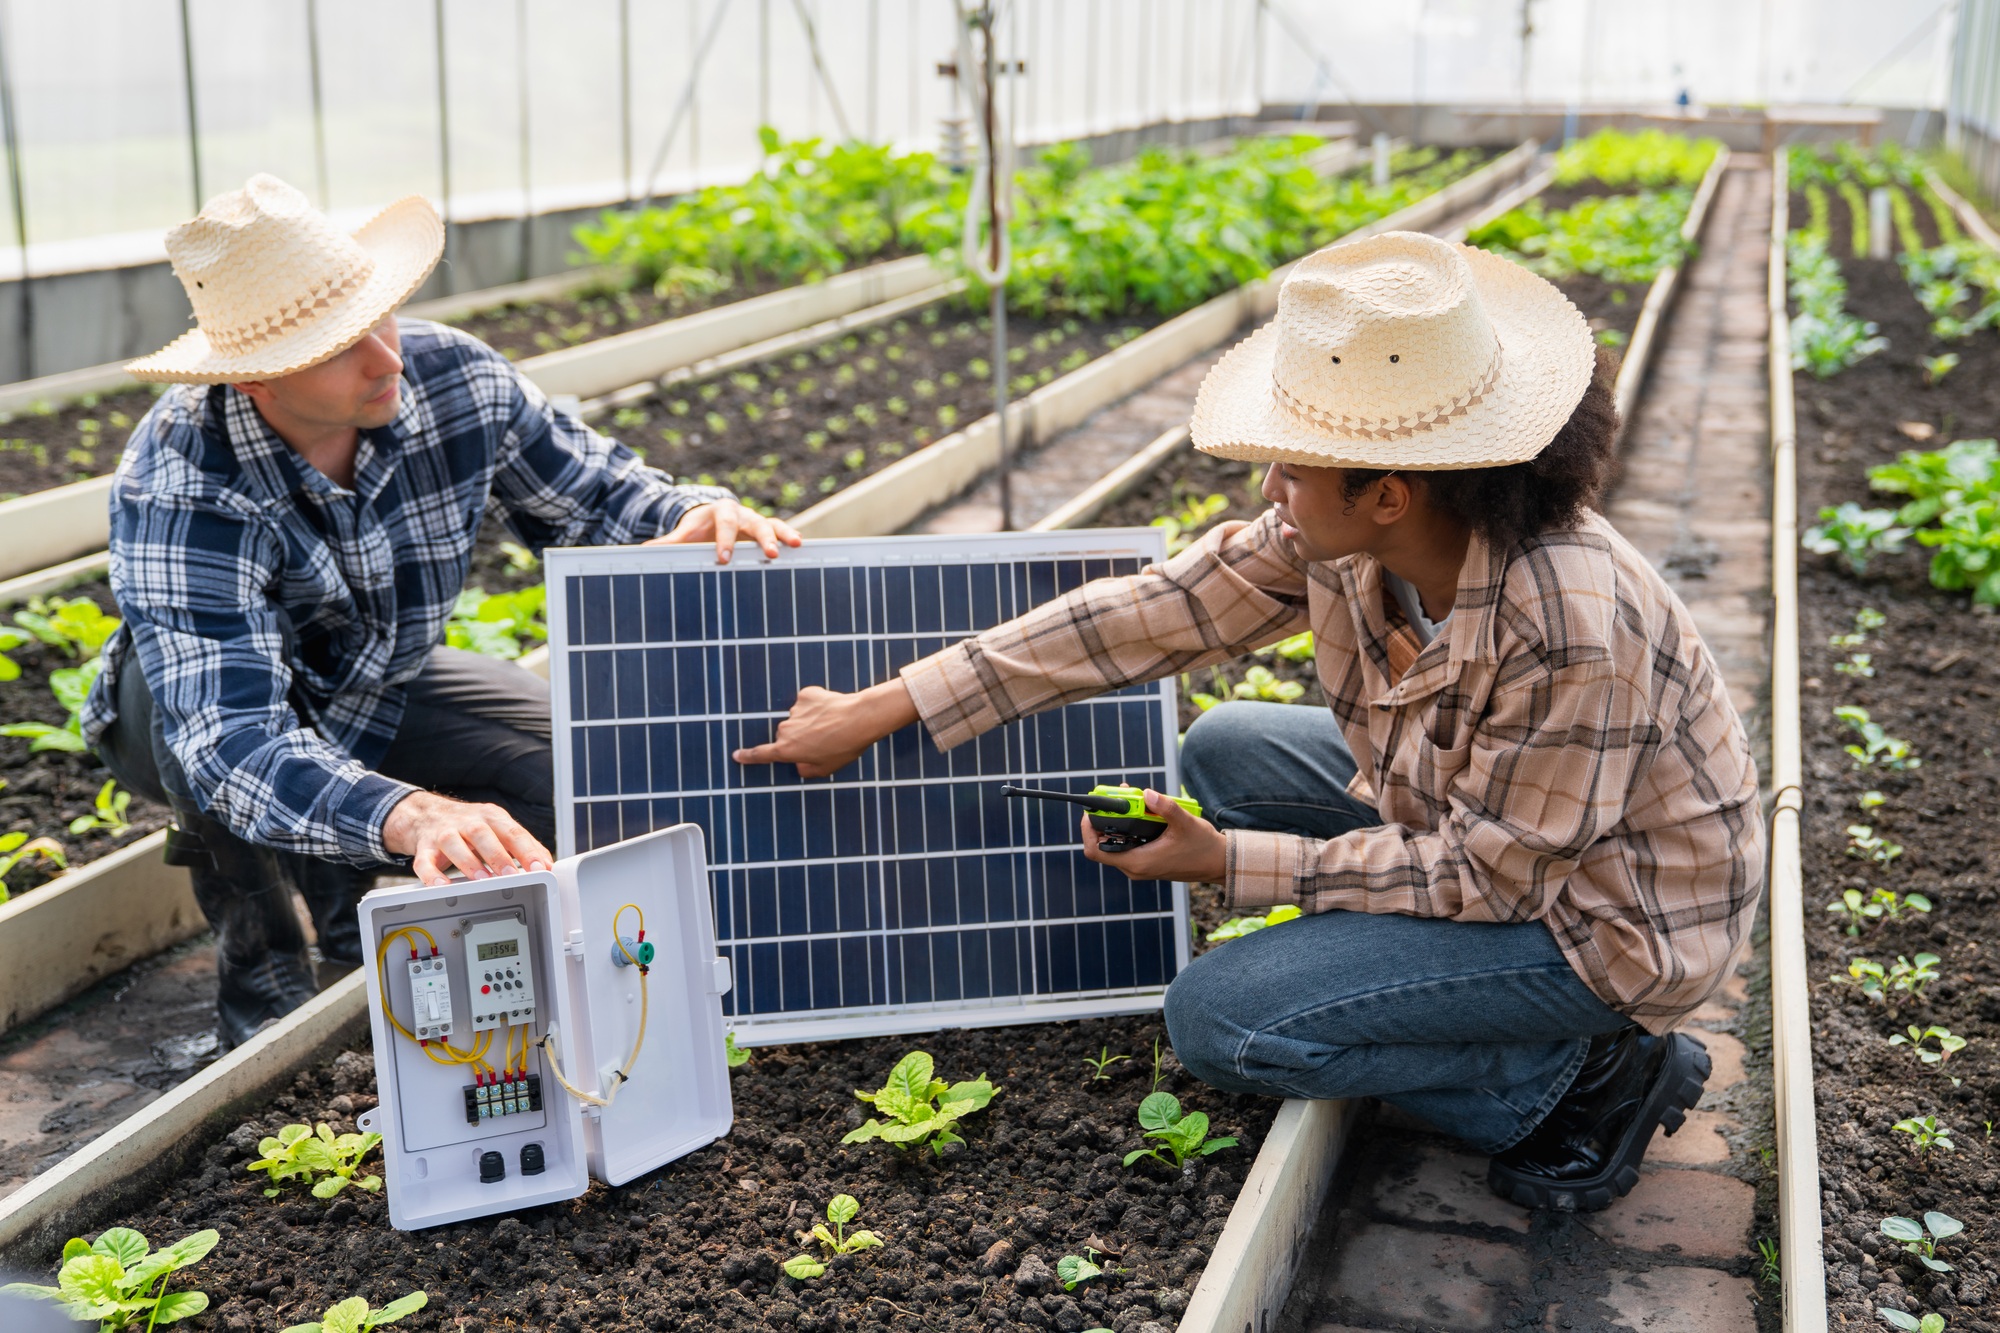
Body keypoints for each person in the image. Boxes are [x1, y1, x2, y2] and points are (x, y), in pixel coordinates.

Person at [737, 230, 1763, 1212]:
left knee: (1220, 1016)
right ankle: (1458, 1012)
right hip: (1497, 834)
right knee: (1227, 743)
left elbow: (1486, 881)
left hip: (1602, 922)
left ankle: (1572, 1080)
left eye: (1291, 468)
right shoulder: (1360, 541)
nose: (1270, 488)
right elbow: (1156, 612)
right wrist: (887, 703)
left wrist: (1225, 860)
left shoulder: (1567, 628)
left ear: (1389, 494)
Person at [84, 175, 799, 1049]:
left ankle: (347, 895)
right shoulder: (182, 475)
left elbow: (600, 498)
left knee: (578, 777)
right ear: (256, 379)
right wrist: (412, 813)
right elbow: (233, 740)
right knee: (196, 745)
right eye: (340, 347)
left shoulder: (455, 378)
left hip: (382, 683)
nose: (387, 358)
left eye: (381, 317)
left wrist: (693, 516)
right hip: (206, 716)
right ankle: (264, 994)